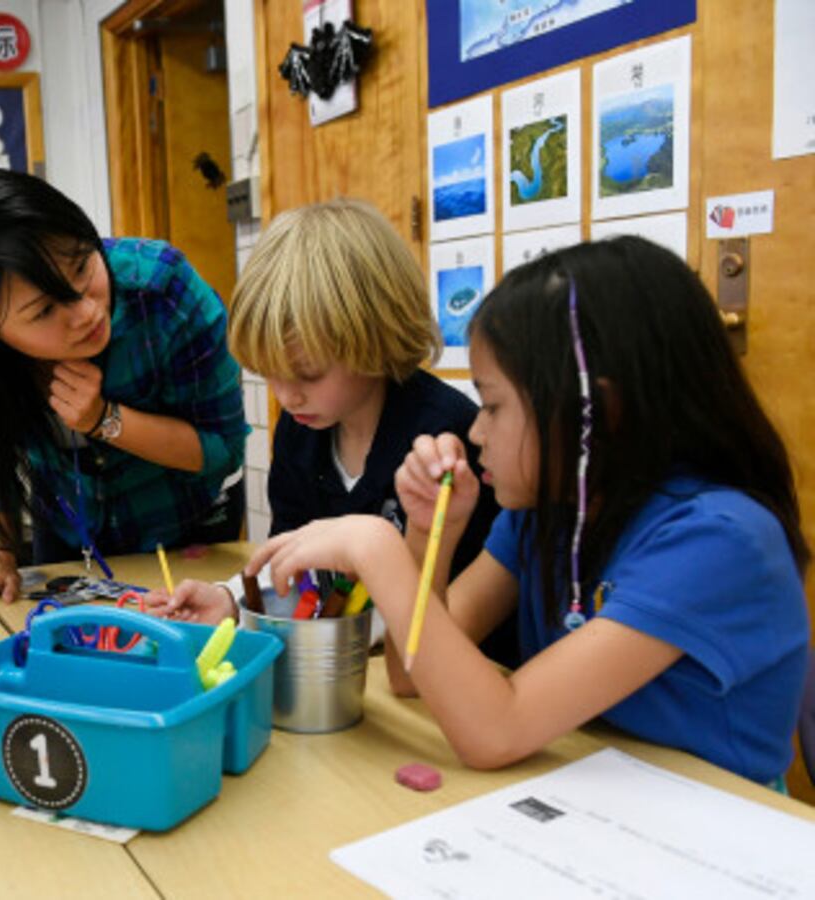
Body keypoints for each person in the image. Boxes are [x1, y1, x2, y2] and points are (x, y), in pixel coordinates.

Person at [245, 237, 810, 785]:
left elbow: (497, 730)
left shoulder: (718, 541)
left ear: (595, 413)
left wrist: (376, 549)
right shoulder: (547, 512)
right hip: (590, 795)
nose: (475, 429)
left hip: (713, 834)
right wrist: (429, 532)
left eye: (493, 405)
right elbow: (407, 674)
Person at [146, 199, 510, 664]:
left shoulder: (446, 437)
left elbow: (449, 613)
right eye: (268, 373)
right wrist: (233, 600)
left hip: (449, 677)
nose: (287, 396)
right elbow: (294, 565)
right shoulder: (303, 430)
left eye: (307, 374)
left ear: (374, 337)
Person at [0, 169, 249, 615]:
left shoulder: (163, 289)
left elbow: (222, 449)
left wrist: (105, 420)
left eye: (82, 266)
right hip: (70, 528)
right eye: (46, 310)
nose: (87, 311)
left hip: (189, 525)